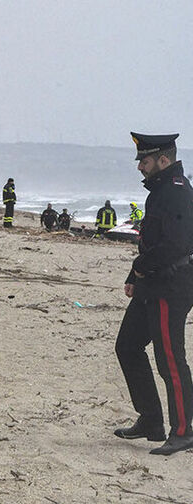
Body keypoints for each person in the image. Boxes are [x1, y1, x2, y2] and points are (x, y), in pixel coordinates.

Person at [114, 132, 193, 455]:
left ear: (163, 160)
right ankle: (150, 420)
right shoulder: (159, 191)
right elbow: (151, 239)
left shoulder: (177, 191)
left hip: (171, 286)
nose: (140, 167)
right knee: (127, 346)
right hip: (151, 282)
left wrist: (141, 267)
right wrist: (134, 274)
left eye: (144, 161)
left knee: (170, 360)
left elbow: (177, 245)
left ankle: (184, 431)